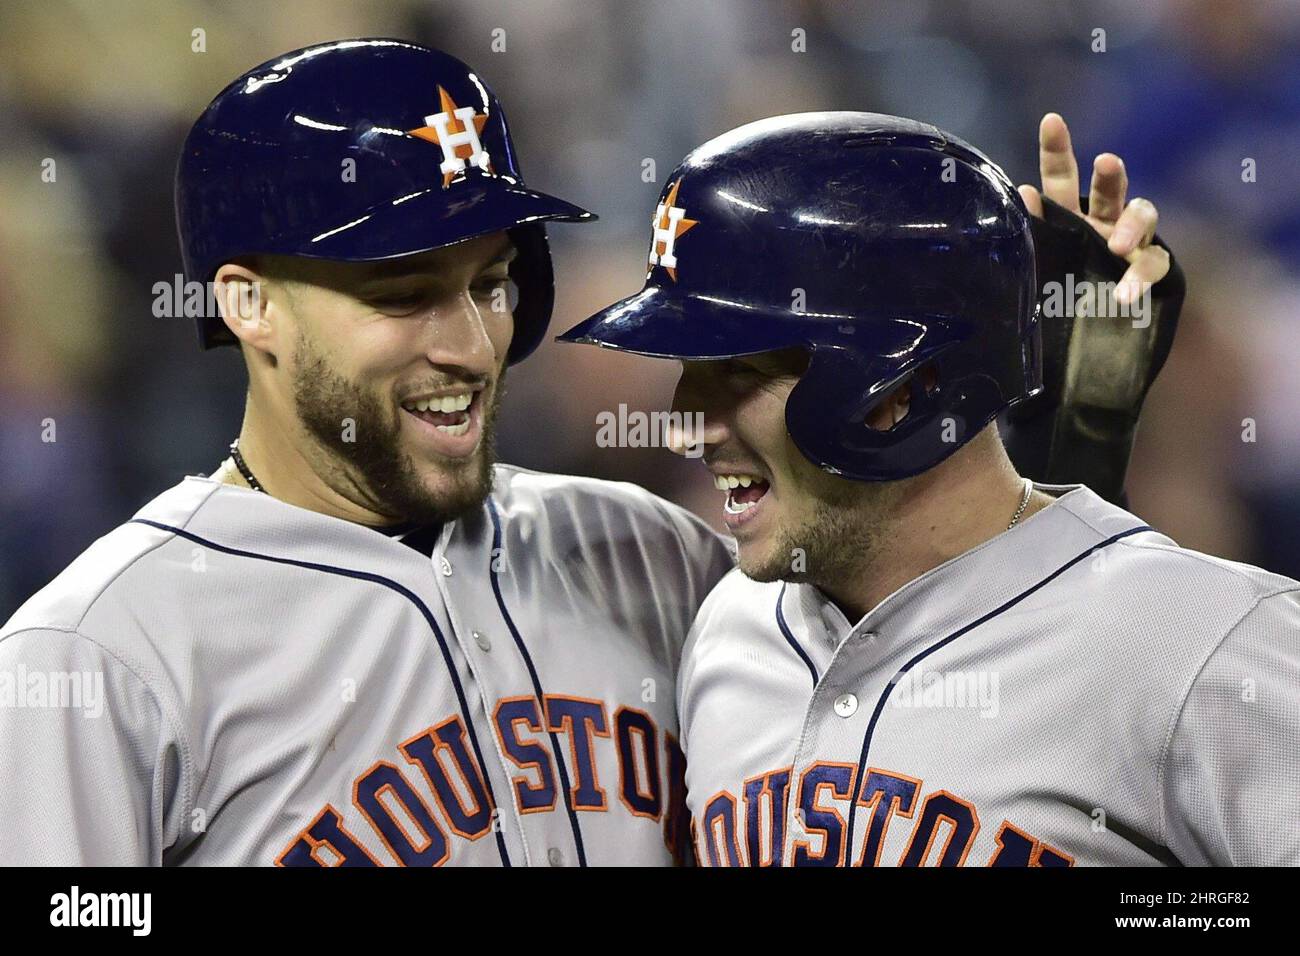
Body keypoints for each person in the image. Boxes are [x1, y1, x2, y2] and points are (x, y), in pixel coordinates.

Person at [0, 38, 730, 866]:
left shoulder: (650, 553)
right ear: (250, 304)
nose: (470, 345)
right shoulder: (105, 652)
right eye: (404, 294)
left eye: (490, 285)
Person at [559, 112, 1297, 867]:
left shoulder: (1207, 645)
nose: (686, 428)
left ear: (904, 389)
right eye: (688, 372)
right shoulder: (726, 632)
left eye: (740, 373)